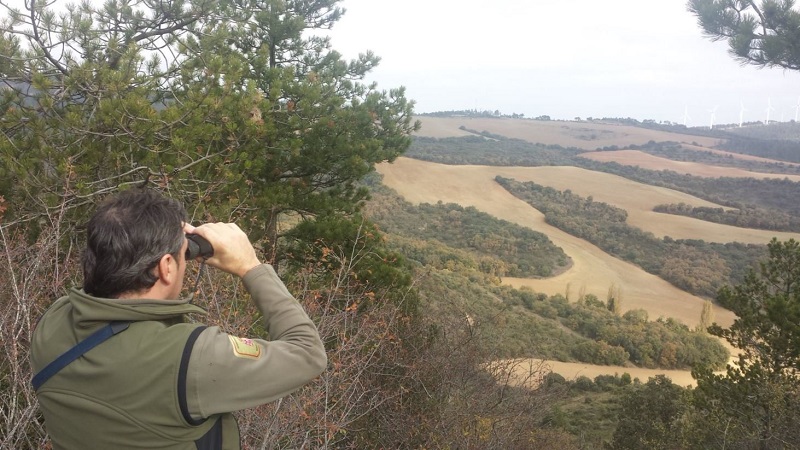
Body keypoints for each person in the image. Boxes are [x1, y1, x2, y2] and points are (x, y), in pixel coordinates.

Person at [30, 189, 327, 449]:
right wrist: (250, 266)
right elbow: (307, 353)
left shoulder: (53, 322)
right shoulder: (188, 358)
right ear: (166, 267)